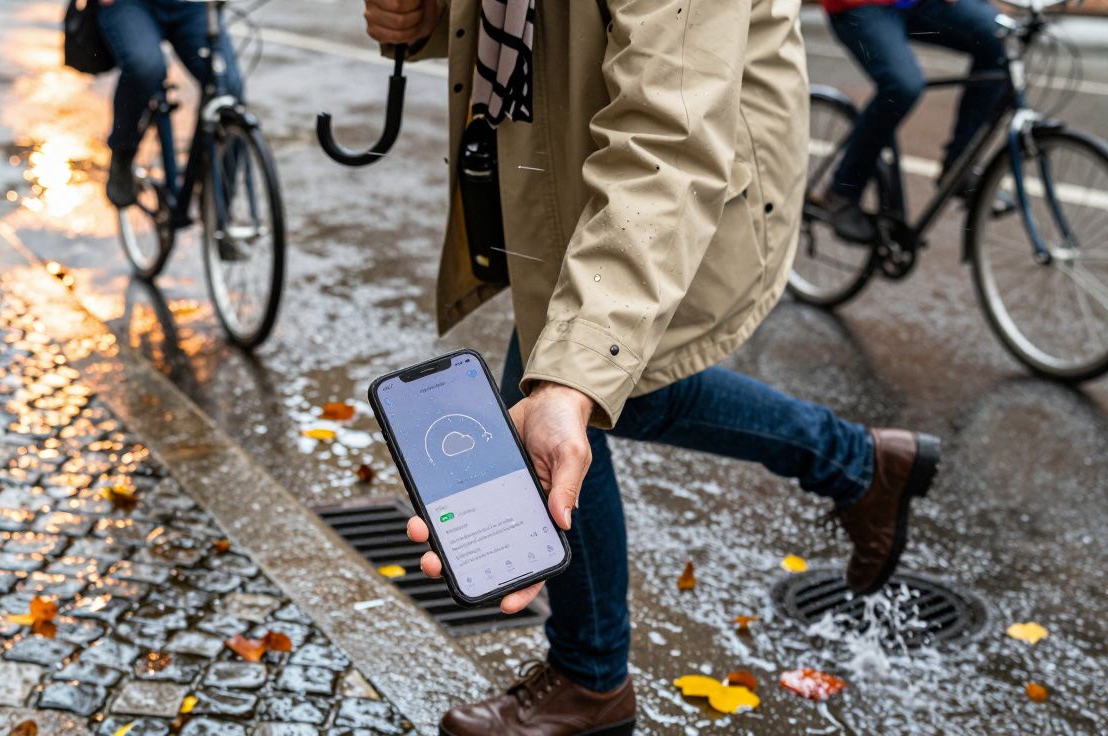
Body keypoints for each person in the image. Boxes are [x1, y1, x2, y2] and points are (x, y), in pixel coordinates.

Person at [363, 0, 943, 733]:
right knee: (584, 387)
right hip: (569, 158)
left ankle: (591, 675)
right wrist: (425, 18)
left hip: (681, 190)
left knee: (571, 381)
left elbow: (670, 138)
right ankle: (859, 465)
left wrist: (572, 378)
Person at [820, 0, 1008, 243]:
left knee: (1000, 39)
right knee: (902, 86)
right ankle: (842, 192)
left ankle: (959, 166)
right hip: (860, 5)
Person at [97, 0, 244, 207]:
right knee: (145, 68)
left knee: (228, 91)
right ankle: (123, 152)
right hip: (131, 4)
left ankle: (218, 200)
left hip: (194, 6)